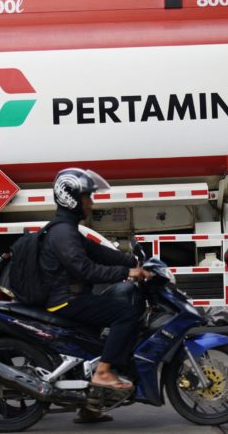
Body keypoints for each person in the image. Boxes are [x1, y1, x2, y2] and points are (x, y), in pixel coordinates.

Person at [40, 168, 151, 424]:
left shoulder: (67, 229)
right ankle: (103, 372)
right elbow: (85, 269)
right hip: (65, 301)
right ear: (71, 198)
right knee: (126, 311)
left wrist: (133, 259)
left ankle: (88, 407)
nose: (92, 202)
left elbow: (98, 252)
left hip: (70, 298)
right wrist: (127, 272)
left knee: (92, 345)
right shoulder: (63, 233)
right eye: (87, 197)